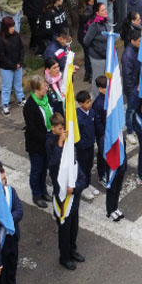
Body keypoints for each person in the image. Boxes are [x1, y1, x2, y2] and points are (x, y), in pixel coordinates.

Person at [47, 113, 83, 270]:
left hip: (72, 193)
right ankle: (65, 256)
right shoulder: (50, 142)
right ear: (53, 128)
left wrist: (76, 187)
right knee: (64, 228)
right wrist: (60, 143)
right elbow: (53, 164)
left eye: (64, 129)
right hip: (61, 194)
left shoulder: (68, 143)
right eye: (60, 129)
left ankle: (72, 250)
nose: (63, 132)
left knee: (74, 226)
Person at [23, 74, 54, 208]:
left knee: (44, 169)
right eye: (44, 87)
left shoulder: (46, 100)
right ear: (36, 89)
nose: (46, 89)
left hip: (47, 141)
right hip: (37, 144)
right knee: (37, 170)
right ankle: (36, 195)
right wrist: (47, 139)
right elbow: (33, 129)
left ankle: (44, 191)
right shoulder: (30, 106)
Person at [75, 91, 101, 202]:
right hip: (82, 147)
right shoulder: (78, 116)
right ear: (80, 104)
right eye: (87, 102)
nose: (89, 104)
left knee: (89, 164)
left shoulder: (91, 112)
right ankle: (83, 187)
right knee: (83, 166)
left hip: (90, 144)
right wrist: (80, 144)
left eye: (90, 101)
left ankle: (88, 183)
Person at [0, 17, 25, 115]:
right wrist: (13, 65)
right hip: (6, 67)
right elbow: (2, 56)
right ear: (5, 28)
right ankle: (5, 105)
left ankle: (21, 99)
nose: (13, 28)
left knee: (18, 83)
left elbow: (21, 49)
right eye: (11, 27)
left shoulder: (16, 36)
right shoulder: (0, 39)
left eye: (13, 26)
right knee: (6, 86)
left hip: (17, 65)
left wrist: (20, 62)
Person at [82, 2, 110, 81]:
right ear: (97, 13)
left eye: (105, 9)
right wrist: (96, 48)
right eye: (103, 10)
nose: (106, 11)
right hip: (97, 58)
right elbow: (86, 41)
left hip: (107, 55)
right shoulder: (94, 25)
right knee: (98, 79)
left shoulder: (106, 21)